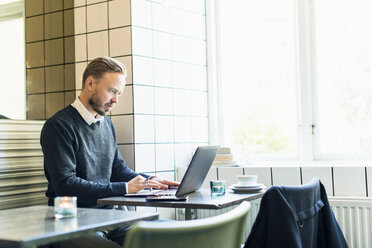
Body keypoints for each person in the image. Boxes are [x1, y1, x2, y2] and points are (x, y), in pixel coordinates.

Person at [40, 57, 179, 248]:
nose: (115, 100)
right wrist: (125, 188)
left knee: (176, 235)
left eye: (119, 93)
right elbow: (66, 185)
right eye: (111, 91)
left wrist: (150, 181)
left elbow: (117, 169)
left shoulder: (106, 124)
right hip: (73, 223)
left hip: (110, 219)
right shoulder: (58, 126)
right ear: (90, 83)